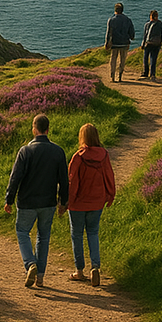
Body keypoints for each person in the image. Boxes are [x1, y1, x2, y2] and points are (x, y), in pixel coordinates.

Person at [4, 114, 69, 288]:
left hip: (27, 202)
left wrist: (9, 199)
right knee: (44, 236)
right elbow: (64, 179)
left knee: (23, 232)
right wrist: (63, 202)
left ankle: (30, 264)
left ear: (34, 129)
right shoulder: (58, 151)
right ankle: (40, 276)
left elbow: (15, 178)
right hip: (48, 202)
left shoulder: (25, 151)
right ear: (48, 130)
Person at [67, 123, 116, 287]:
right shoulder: (104, 155)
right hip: (97, 201)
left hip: (78, 203)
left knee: (77, 235)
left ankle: (79, 271)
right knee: (93, 233)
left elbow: (72, 181)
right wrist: (111, 194)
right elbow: (109, 175)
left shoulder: (78, 157)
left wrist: (68, 200)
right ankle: (95, 267)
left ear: (82, 137)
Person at [104, 2, 135, 82]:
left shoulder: (111, 20)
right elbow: (131, 32)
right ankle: (120, 76)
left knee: (113, 59)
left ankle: (112, 76)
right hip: (125, 43)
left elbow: (108, 33)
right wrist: (131, 38)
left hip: (115, 43)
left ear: (115, 10)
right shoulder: (128, 20)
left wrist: (107, 43)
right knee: (122, 60)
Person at [140, 10, 162, 79]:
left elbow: (145, 35)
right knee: (153, 59)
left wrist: (143, 44)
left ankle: (145, 73)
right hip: (157, 44)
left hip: (148, 43)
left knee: (146, 58)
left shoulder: (147, 24)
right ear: (157, 16)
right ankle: (152, 74)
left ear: (150, 16)